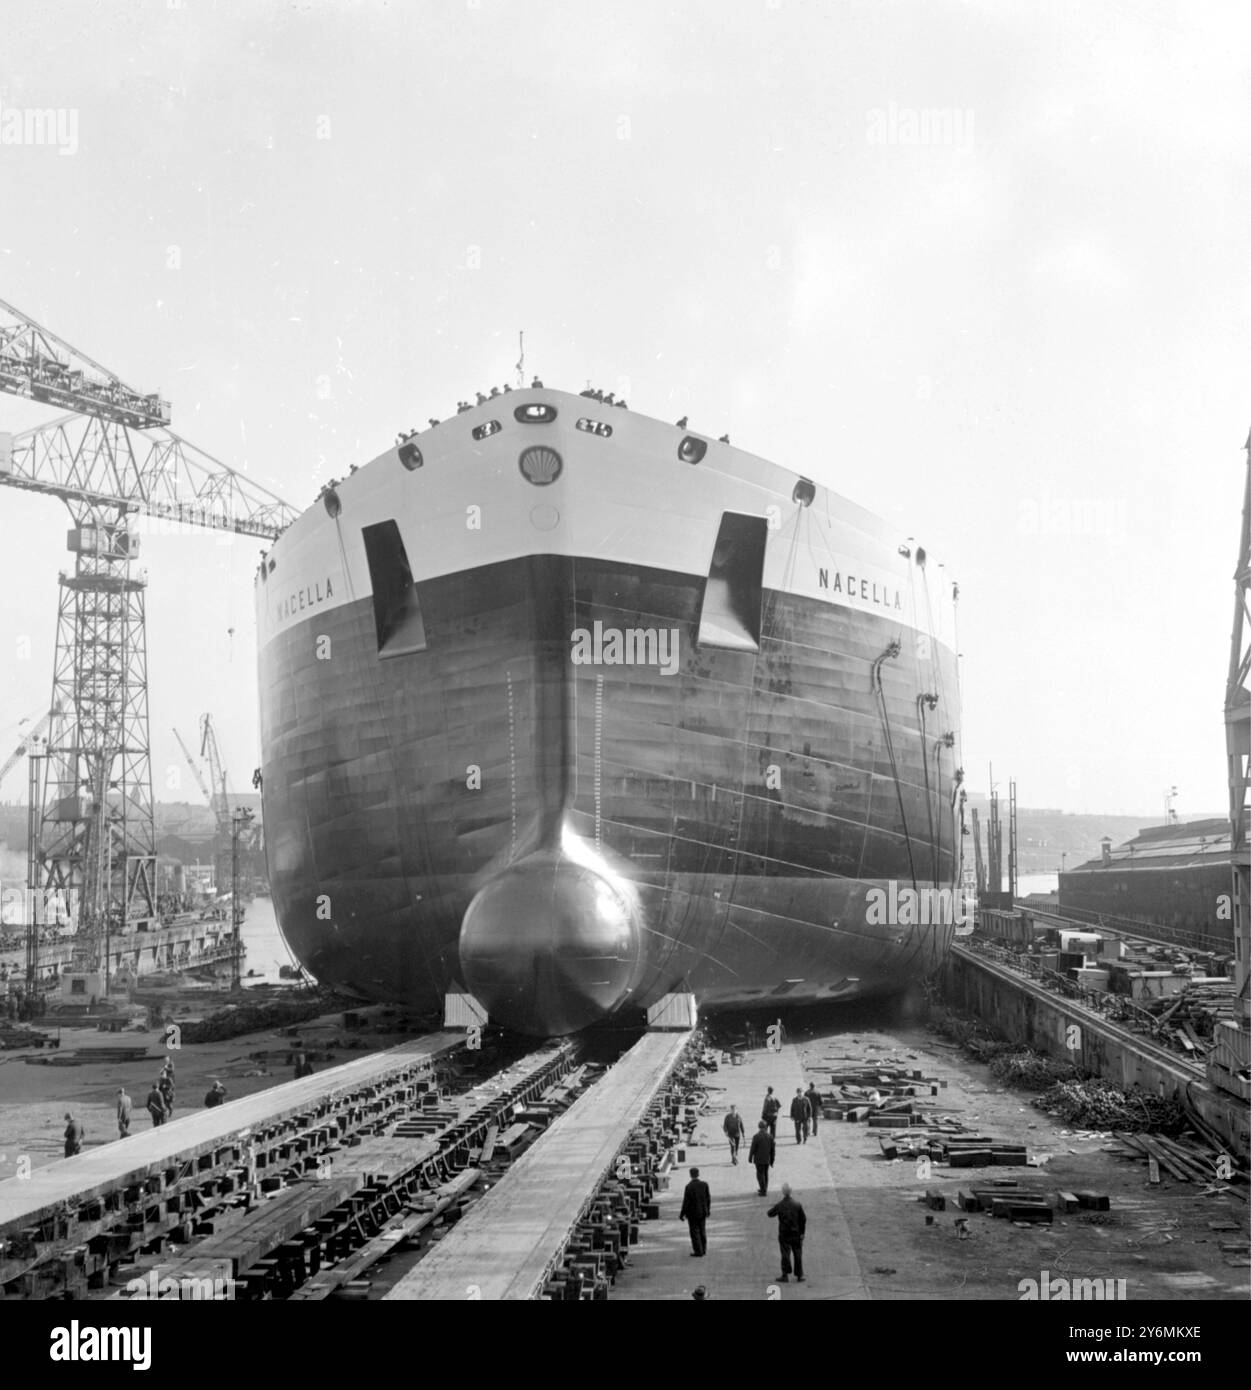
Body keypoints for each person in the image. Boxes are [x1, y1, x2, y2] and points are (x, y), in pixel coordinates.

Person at [767, 1182, 807, 1283]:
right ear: (791, 1191)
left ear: (783, 1192)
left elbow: (770, 1213)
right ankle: (799, 1275)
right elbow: (803, 1219)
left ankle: (785, 1275)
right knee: (797, 1254)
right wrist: (802, 1232)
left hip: (784, 1234)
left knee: (785, 1254)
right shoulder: (797, 1204)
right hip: (796, 1233)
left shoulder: (780, 1205)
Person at [679, 1166, 711, 1256]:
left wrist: (682, 1214)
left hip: (692, 1213)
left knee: (694, 1232)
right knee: (702, 1231)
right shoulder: (704, 1185)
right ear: (698, 1174)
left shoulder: (689, 1187)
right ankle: (704, 1249)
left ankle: (698, 1251)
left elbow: (686, 1202)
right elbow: (708, 1199)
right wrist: (708, 1210)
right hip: (702, 1212)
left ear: (690, 1175)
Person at [748, 1119, 775, 1196]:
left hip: (758, 1160)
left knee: (760, 1175)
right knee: (765, 1174)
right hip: (767, 1159)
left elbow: (752, 1148)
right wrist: (772, 1160)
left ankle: (763, 1191)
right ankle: (764, 1188)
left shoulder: (756, 1136)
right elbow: (773, 1150)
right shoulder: (770, 1136)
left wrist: (750, 1158)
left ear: (759, 1127)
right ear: (766, 1127)